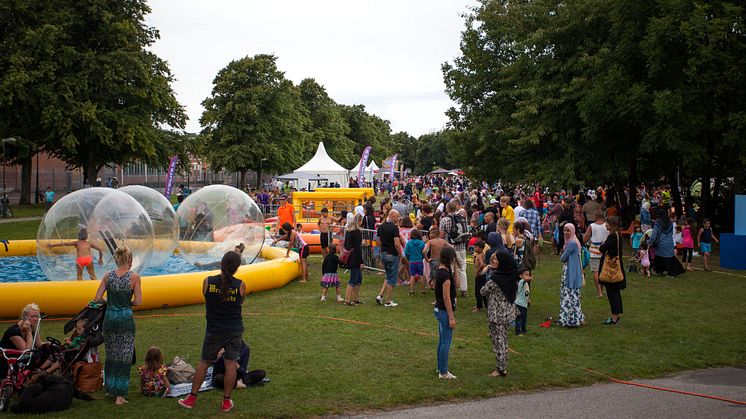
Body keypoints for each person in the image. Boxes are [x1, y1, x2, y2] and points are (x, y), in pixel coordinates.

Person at [179, 251, 245, 412]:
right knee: (230, 364)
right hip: (233, 329)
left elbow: (207, 298)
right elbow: (240, 302)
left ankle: (192, 398)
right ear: (237, 268)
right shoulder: (240, 285)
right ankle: (226, 402)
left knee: (204, 362)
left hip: (214, 329)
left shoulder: (207, 282)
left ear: (221, 264)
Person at [94, 246, 142, 405]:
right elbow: (138, 302)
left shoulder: (108, 276)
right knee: (124, 356)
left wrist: (110, 302)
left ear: (116, 259)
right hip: (125, 319)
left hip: (109, 319)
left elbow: (97, 298)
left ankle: (110, 388)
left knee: (112, 354)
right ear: (129, 260)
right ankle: (120, 396)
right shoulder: (134, 278)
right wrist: (128, 303)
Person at [480, 248, 518, 377]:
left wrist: (486, 274)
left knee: (498, 341)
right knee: (504, 339)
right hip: (507, 313)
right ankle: (503, 366)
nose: (494, 261)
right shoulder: (511, 276)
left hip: (496, 315)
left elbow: (483, 291)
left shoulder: (496, 279)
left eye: (496, 259)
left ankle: (501, 369)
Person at [0, 303, 46, 377]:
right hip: (7, 359)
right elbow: (27, 352)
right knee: (34, 356)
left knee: (46, 351)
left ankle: (39, 373)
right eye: (32, 316)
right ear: (25, 317)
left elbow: (38, 344)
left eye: (37, 316)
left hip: (20, 357)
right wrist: (29, 332)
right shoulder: (14, 331)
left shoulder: (33, 326)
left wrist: (50, 345)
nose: (35, 319)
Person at [434, 246, 458, 379]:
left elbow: (458, 285)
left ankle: (440, 367)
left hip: (440, 309)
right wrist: (451, 317)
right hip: (444, 311)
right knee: (445, 341)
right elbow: (446, 297)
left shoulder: (443, 271)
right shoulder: (445, 276)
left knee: (442, 340)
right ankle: (443, 372)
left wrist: (455, 269)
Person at [598, 216, 626, 325]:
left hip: (611, 268)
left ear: (612, 224)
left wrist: (602, 244)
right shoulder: (618, 235)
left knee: (612, 293)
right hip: (617, 266)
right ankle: (617, 315)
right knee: (616, 292)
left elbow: (602, 248)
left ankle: (614, 318)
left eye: (607, 223)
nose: (605, 225)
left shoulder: (612, 236)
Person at [558, 223, 585, 328]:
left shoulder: (571, 243)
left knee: (569, 297)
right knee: (574, 297)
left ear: (572, 231)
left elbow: (562, 258)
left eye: (568, 230)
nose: (566, 232)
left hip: (570, 272)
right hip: (573, 271)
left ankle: (569, 320)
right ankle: (576, 317)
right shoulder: (575, 241)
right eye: (564, 230)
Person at [375, 210, 404, 307]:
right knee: (392, 279)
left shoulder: (381, 226)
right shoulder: (395, 228)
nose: (398, 219)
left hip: (384, 254)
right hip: (392, 255)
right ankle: (388, 301)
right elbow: (396, 243)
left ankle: (380, 295)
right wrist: (400, 254)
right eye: (397, 217)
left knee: (388, 276)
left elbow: (377, 240)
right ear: (392, 216)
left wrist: (383, 248)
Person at [440, 201, 468, 297]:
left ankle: (451, 288)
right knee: (462, 268)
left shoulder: (444, 220)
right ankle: (464, 289)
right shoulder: (462, 218)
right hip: (461, 246)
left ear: (447, 208)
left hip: (449, 247)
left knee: (450, 269)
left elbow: (441, 235)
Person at [648, 209, 685, 277]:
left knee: (660, 257)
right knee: (668, 258)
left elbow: (655, 234)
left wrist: (650, 242)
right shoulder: (670, 222)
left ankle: (668, 272)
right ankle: (661, 271)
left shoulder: (658, 222)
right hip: (669, 242)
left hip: (661, 243)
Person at [583, 211, 607, 298]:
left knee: (596, 271)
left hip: (594, 251)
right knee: (603, 271)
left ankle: (599, 292)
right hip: (604, 250)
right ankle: (602, 289)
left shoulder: (592, 226)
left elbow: (585, 239)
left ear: (596, 216)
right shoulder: (606, 226)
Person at [343, 214, 365, 306]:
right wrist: (361, 262)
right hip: (355, 257)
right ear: (358, 221)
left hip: (350, 255)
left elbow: (346, 245)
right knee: (353, 279)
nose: (361, 223)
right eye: (361, 221)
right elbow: (358, 248)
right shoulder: (357, 232)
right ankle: (347, 300)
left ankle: (355, 298)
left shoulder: (348, 231)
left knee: (358, 279)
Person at [404, 229, 426, 295]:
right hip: (420, 261)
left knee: (412, 276)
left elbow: (406, 252)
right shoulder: (422, 243)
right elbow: (424, 252)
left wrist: (408, 257)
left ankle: (411, 291)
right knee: (421, 275)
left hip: (412, 261)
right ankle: (423, 290)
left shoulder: (409, 243)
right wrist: (422, 257)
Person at [515, 267, 533, 336]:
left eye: (528, 274)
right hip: (519, 304)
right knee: (519, 318)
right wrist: (528, 278)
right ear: (520, 276)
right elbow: (525, 280)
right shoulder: (521, 282)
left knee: (524, 318)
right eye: (526, 274)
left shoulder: (526, 284)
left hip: (524, 304)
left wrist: (528, 299)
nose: (528, 276)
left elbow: (525, 293)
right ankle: (518, 332)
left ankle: (524, 330)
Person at [472, 239, 488, 312]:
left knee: (478, 291)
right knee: (483, 290)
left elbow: (482, 264)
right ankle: (486, 304)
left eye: (476, 247)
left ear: (481, 248)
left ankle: (479, 307)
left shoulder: (479, 256)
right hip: (483, 275)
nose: (475, 249)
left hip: (480, 275)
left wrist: (477, 271)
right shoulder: (481, 254)